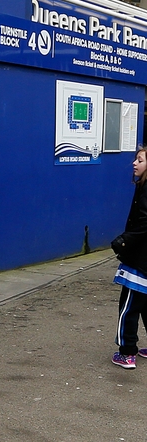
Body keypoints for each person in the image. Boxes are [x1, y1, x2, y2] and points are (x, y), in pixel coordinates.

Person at [110, 146, 147, 369]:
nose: (134, 163)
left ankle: (127, 352)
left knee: (129, 306)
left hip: (140, 261)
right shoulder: (142, 186)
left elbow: (144, 223)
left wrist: (123, 240)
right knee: (145, 305)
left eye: (140, 160)